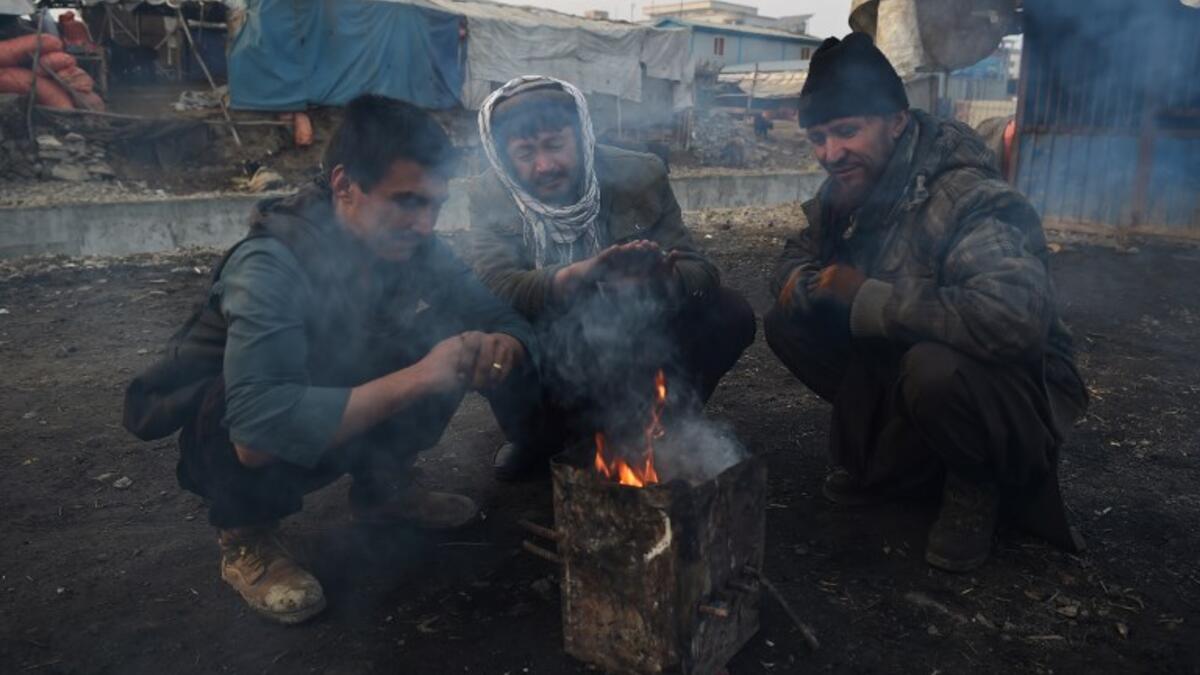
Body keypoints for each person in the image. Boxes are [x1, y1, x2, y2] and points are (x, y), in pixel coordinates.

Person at [122, 95, 539, 624]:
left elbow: (498, 315)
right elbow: (256, 434)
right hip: (238, 436)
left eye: (436, 204)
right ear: (345, 185)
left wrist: (504, 344)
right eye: (407, 201)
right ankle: (246, 537)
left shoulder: (414, 247)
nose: (426, 224)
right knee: (237, 399)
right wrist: (425, 375)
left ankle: (383, 489)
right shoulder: (270, 263)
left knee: (449, 339)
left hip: (331, 398)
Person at [763, 34, 1088, 572]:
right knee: (790, 321)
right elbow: (791, 257)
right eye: (817, 137)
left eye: (847, 131)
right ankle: (890, 462)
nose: (829, 154)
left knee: (934, 369)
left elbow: (1011, 319)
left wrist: (866, 296)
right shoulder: (847, 190)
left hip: (1015, 392)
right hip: (914, 366)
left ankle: (975, 485)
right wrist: (805, 284)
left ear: (896, 120)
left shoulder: (968, 196)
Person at [467, 76, 756, 479]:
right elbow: (496, 283)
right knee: (480, 328)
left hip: (633, 341)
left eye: (554, 144)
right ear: (502, 156)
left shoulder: (639, 175)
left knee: (730, 311)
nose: (544, 165)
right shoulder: (488, 195)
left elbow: (700, 269)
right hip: (547, 351)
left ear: (582, 136)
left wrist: (661, 281)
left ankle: (662, 427)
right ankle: (536, 439)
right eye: (525, 153)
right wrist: (576, 276)